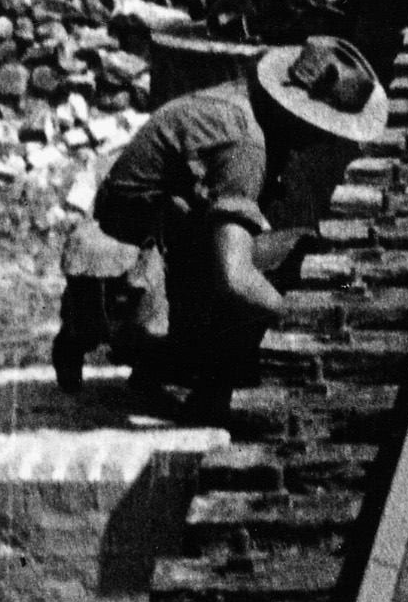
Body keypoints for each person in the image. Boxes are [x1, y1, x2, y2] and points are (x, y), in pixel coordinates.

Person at [57, 37, 387, 420]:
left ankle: (165, 363)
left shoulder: (240, 99)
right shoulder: (246, 144)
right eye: (325, 129)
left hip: (155, 228)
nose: (325, 138)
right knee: (293, 260)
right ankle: (204, 385)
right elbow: (235, 277)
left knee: (290, 248)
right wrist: (304, 328)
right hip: (145, 250)